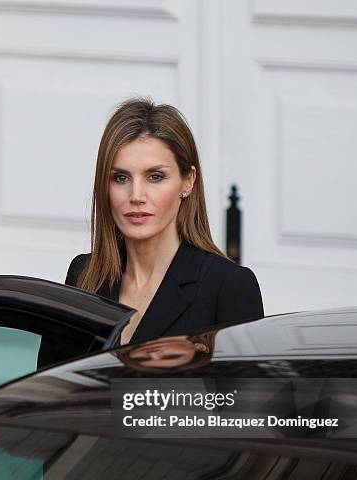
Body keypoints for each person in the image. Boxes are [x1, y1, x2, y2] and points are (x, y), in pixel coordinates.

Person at [66, 97, 264, 346]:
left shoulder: (228, 287)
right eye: (120, 178)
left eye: (155, 176)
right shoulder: (83, 274)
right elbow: (52, 384)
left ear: (188, 181)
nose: (136, 196)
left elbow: (243, 386)